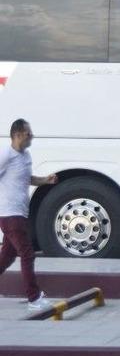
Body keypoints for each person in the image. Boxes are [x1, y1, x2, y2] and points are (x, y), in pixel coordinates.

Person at [0, 119, 57, 311]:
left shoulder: (26, 156)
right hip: (9, 214)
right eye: (28, 133)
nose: (31, 136)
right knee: (27, 254)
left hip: (20, 214)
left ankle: (34, 297)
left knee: (6, 257)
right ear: (17, 135)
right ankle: (34, 299)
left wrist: (45, 180)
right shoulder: (5, 155)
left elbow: (27, 179)